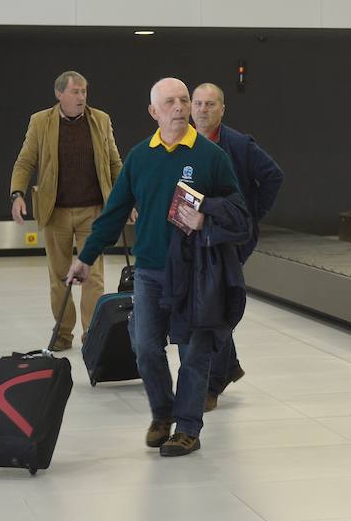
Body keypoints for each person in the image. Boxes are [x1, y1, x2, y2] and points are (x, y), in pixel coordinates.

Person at [67, 78, 243, 457]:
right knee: (145, 347)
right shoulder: (140, 157)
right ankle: (163, 414)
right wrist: (85, 258)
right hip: (150, 271)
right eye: (170, 102)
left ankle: (188, 428)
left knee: (193, 351)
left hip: (197, 273)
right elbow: (113, 215)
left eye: (184, 100)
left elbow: (237, 213)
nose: (180, 107)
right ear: (154, 112)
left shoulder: (211, 157)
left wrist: (205, 219)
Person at [10, 71, 122, 351]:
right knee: (60, 277)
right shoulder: (40, 122)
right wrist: (17, 195)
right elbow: (25, 162)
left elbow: (114, 164)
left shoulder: (101, 120)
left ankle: (92, 336)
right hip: (55, 211)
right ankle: (62, 334)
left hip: (93, 211)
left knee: (93, 277)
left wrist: (126, 200)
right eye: (75, 92)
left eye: (84, 91)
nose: (81, 97)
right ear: (59, 94)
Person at [191, 82, 284, 412]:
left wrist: (252, 213)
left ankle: (213, 382)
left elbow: (273, 175)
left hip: (230, 238)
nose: (203, 110)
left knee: (214, 305)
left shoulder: (239, 145)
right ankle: (228, 367)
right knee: (208, 304)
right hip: (194, 239)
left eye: (210, 104)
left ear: (222, 109)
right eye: (198, 104)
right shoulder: (182, 143)